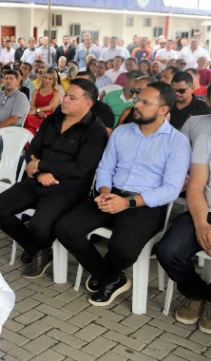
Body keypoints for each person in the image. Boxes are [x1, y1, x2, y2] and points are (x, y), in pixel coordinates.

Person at [55, 82, 190, 306]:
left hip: (146, 203)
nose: (136, 104)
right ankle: (111, 277)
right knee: (65, 228)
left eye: (145, 102)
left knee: (123, 249)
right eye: (138, 98)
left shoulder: (177, 142)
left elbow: (170, 190)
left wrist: (127, 203)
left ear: (163, 110)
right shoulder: (122, 132)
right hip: (111, 194)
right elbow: (105, 167)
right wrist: (105, 190)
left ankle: (105, 273)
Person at [0, 79, 108, 278]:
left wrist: (43, 166)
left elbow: (81, 168)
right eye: (66, 95)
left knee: (39, 226)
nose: (65, 100)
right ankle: (38, 249)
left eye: (72, 97)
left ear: (88, 104)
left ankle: (37, 247)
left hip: (67, 188)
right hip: (37, 180)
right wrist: (39, 174)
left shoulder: (95, 130)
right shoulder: (53, 119)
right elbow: (33, 150)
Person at [157, 127, 211, 331]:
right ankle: (196, 293)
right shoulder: (206, 136)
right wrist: (202, 225)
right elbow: (196, 188)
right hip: (203, 209)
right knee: (168, 251)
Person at [23, 69, 61, 135]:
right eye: (45, 77)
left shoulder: (56, 93)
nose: (47, 80)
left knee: (27, 118)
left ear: (54, 80)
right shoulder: (36, 91)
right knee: (28, 126)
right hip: (35, 114)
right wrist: (37, 112)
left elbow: (50, 106)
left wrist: (37, 110)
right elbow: (32, 105)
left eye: (50, 79)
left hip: (47, 116)